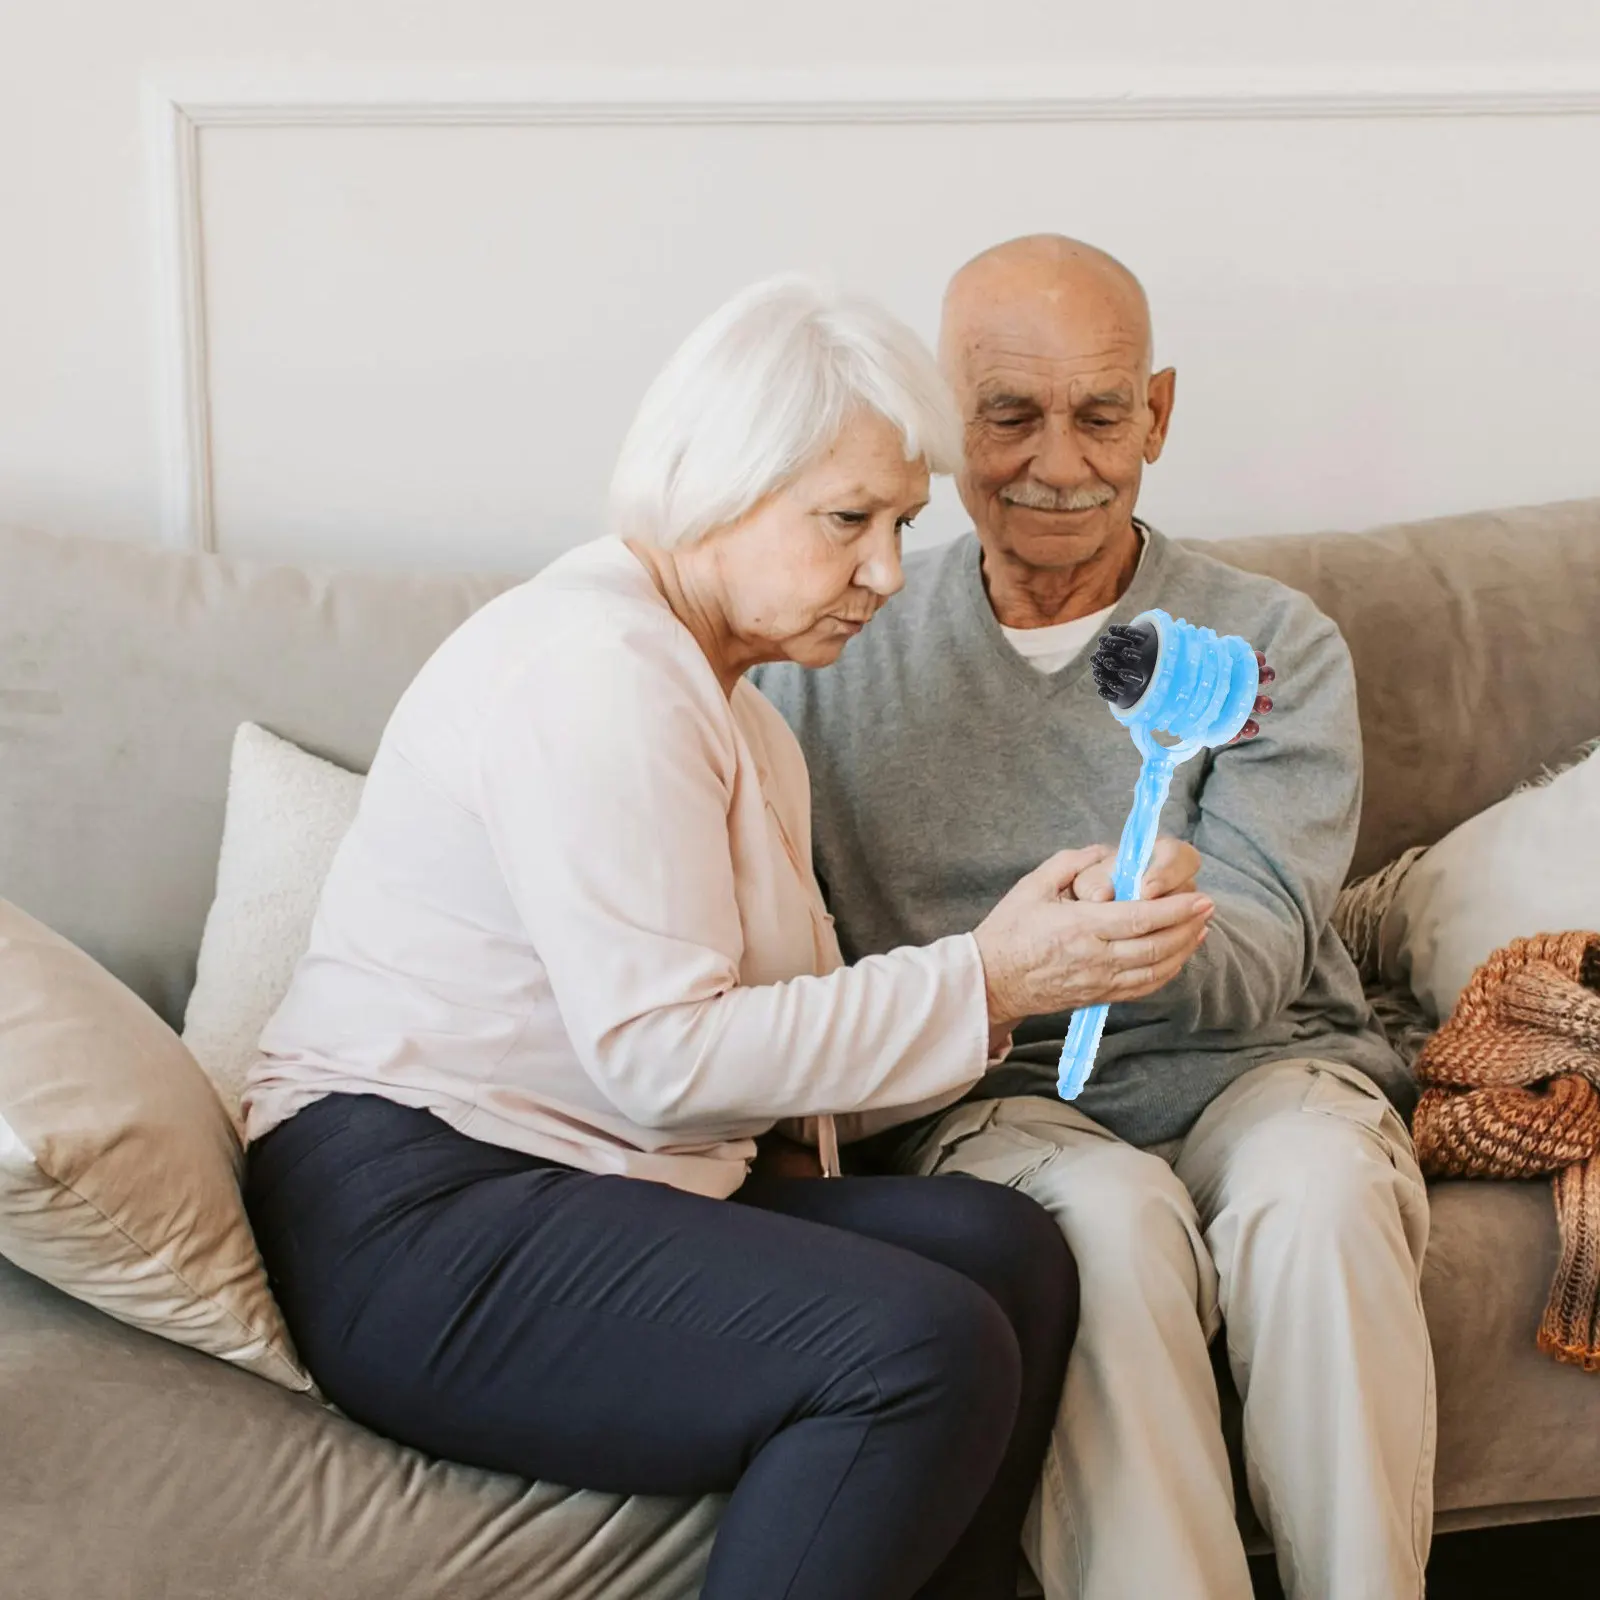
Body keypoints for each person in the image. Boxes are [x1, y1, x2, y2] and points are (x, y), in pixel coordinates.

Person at [241, 275, 1217, 1600]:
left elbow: (777, 1070)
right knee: (917, 1347)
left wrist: (1015, 971)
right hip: (421, 1213)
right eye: (847, 520)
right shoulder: (600, 671)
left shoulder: (741, 713)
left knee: (1009, 1253)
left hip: (584, 1173)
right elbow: (662, 1059)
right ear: (714, 484)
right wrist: (983, 976)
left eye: (901, 525)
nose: (886, 571)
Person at [755, 237, 1433, 1600]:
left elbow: (1260, 954)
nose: (1058, 462)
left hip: (1256, 1069)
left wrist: (1149, 931)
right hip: (998, 1094)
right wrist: (1016, 974)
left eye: (1102, 415)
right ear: (943, 421)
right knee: (1105, 1231)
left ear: (1158, 415)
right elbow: (809, 973)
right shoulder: (827, 655)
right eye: (1008, 415)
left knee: (1323, 1197)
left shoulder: (1271, 645)